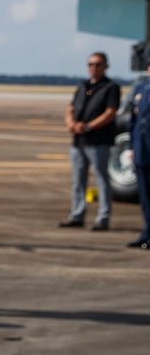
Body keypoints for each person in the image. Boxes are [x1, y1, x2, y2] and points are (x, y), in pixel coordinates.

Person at [60, 52, 121, 231]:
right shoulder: (83, 86)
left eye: (98, 64)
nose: (93, 68)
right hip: (78, 142)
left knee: (102, 179)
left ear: (105, 66)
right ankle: (77, 215)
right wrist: (71, 124)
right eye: (90, 64)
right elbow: (70, 108)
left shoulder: (110, 88)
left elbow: (110, 113)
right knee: (78, 181)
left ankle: (103, 217)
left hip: (98, 141)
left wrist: (88, 127)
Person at [128, 76, 150, 250]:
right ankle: (146, 234)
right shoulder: (141, 89)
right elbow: (133, 121)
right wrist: (131, 147)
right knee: (145, 197)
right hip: (141, 150)